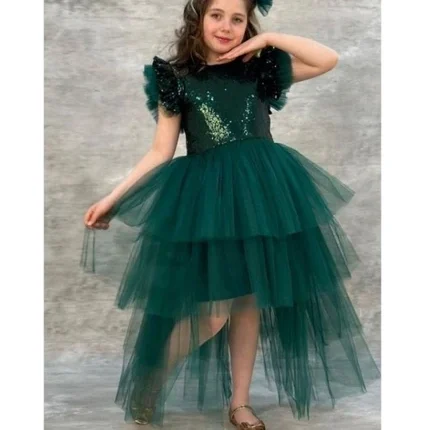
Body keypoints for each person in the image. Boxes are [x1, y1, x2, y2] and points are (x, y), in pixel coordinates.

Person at [81, 0, 380, 428]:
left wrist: (269, 39)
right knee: (213, 312)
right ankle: (152, 377)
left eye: (238, 19)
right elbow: (160, 151)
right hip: (211, 202)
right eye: (217, 15)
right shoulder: (177, 79)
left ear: (248, 25)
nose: (226, 26)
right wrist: (113, 198)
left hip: (262, 195)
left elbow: (326, 59)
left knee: (249, 301)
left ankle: (239, 403)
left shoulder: (258, 70)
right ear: (199, 19)